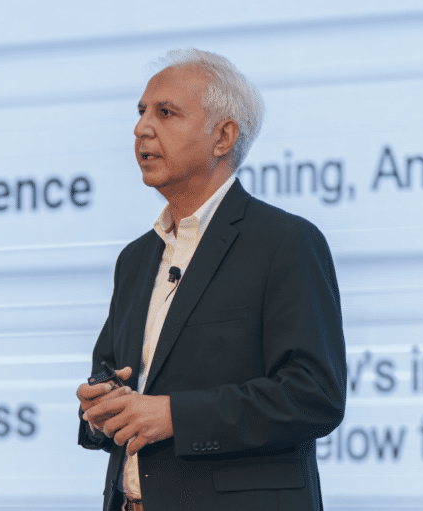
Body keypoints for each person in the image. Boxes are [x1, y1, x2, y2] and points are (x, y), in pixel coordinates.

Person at [76, 48, 346, 511]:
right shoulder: (136, 259)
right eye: (141, 112)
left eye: (165, 112)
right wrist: (99, 410)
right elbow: (114, 375)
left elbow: (314, 395)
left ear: (223, 137)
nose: (142, 128)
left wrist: (174, 416)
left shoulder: (284, 242)